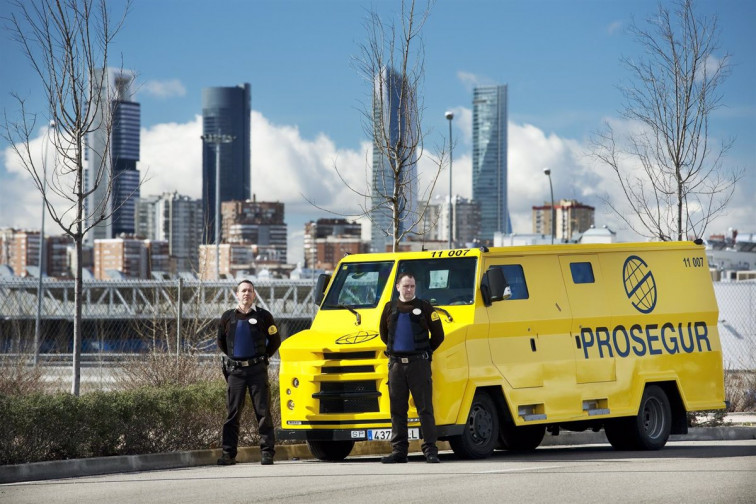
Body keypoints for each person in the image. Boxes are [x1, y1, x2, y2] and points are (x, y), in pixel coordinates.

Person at [379, 272, 445, 463]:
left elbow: (439, 336)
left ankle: (430, 450)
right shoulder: (389, 308)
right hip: (396, 367)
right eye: (406, 286)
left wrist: (424, 353)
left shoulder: (425, 307)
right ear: (397, 287)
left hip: (419, 365)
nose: (409, 290)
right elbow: (384, 335)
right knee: (397, 410)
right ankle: (399, 452)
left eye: (412, 286)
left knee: (425, 409)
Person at [217, 279, 281, 466]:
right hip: (235, 372)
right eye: (243, 290)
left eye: (250, 291)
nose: (246, 294)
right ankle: (228, 455)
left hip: (257, 371)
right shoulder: (228, 317)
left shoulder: (264, 316)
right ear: (237, 294)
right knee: (232, 414)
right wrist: (234, 358)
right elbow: (221, 341)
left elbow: (275, 340)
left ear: (254, 295)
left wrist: (262, 358)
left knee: (263, 412)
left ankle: (267, 453)